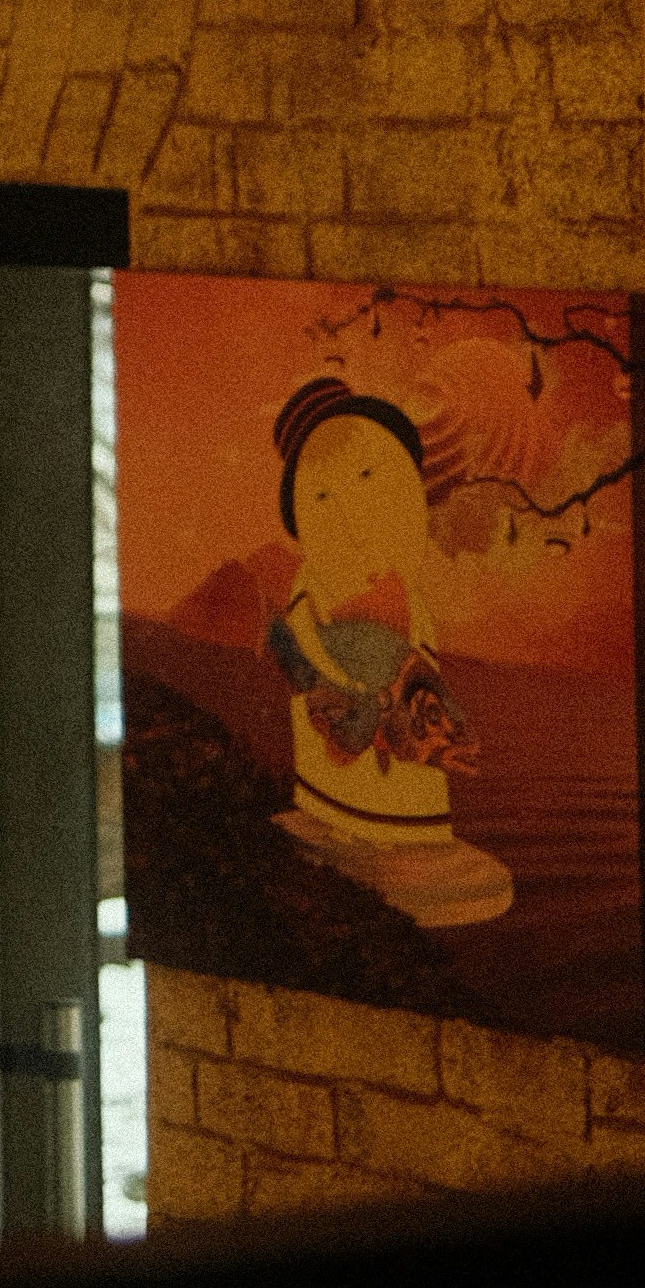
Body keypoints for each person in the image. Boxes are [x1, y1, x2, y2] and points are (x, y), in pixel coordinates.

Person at [264, 376, 512, 930]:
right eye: (323, 496)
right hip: (341, 707)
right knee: (347, 754)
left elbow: (418, 651)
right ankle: (346, 825)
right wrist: (349, 676)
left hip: (400, 706)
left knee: (414, 773)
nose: (349, 504)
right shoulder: (313, 585)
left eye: (368, 477)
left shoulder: (404, 583)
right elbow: (306, 643)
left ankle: (412, 836)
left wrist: (403, 657)